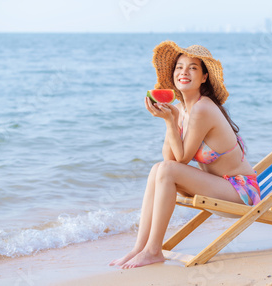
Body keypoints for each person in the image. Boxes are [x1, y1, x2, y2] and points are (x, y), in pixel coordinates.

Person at [110, 41, 261, 269]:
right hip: (216, 186)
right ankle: (139, 247)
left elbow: (180, 161)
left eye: (192, 68)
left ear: (203, 77)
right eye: (179, 67)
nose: (184, 72)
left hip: (239, 192)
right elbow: (169, 159)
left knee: (166, 170)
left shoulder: (202, 108)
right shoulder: (181, 108)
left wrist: (170, 122)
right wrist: (170, 119)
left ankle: (153, 250)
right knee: (157, 169)